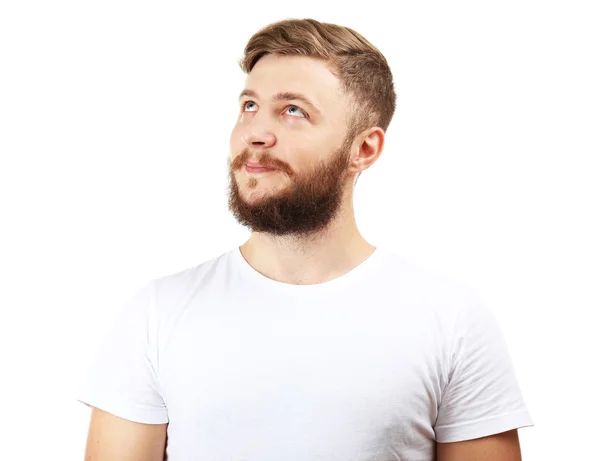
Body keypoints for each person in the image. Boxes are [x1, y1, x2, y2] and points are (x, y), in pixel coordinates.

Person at [76, 18, 534, 461]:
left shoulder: (450, 319)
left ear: (364, 149)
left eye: (293, 110)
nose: (255, 132)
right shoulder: (156, 314)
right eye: (249, 106)